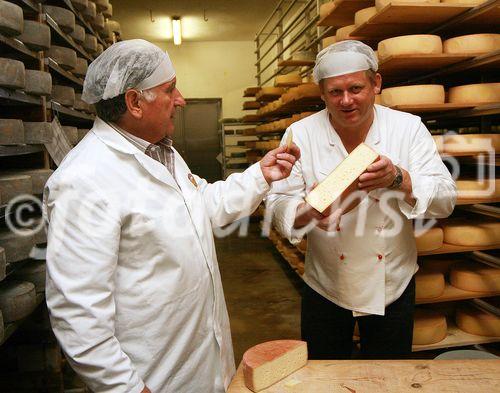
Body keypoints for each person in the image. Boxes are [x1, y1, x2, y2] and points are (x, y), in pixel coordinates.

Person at [43, 39, 300, 393]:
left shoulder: (162, 152)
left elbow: (202, 204)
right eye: (170, 89)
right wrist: (128, 389)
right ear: (134, 102)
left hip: (202, 359)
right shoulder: (84, 181)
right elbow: (78, 316)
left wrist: (261, 175)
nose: (180, 99)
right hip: (154, 376)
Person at [266, 40, 456, 360]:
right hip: (325, 282)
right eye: (335, 93)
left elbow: (446, 198)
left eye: (356, 88)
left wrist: (399, 178)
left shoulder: (407, 129)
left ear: (376, 83)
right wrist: (307, 213)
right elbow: (278, 202)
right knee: (323, 373)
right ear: (322, 94)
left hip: (392, 282)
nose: (346, 100)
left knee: (387, 375)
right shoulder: (301, 134)